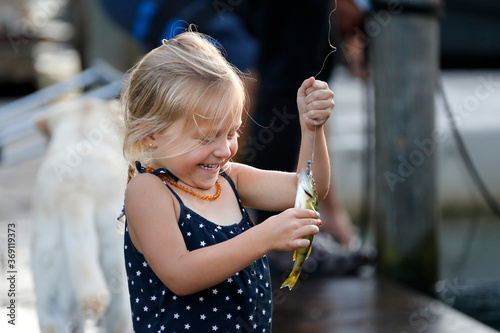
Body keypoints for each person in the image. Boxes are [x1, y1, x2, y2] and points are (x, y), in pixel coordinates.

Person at [120, 30, 334, 332]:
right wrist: (264, 237)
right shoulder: (149, 191)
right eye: (206, 138)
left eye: (231, 133)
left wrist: (312, 129)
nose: (224, 150)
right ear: (150, 136)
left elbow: (308, 190)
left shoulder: (229, 179)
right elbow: (180, 274)